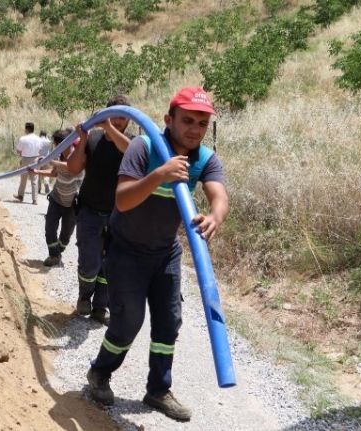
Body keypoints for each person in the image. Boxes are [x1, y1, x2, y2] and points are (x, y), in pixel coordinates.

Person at [85, 86, 229, 422]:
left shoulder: (204, 159)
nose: (194, 129)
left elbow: (219, 195)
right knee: (128, 321)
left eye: (202, 123)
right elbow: (123, 200)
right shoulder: (143, 146)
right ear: (169, 119)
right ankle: (100, 372)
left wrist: (214, 216)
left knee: (169, 322)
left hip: (165, 254)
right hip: (126, 252)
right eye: (188, 120)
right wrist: (159, 176)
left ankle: (158, 389)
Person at [67, 95, 134, 325]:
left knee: (110, 264)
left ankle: (100, 307)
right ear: (105, 114)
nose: (117, 120)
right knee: (90, 262)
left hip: (119, 216)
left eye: (123, 117)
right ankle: (84, 297)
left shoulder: (134, 143)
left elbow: (128, 150)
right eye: (112, 115)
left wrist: (107, 127)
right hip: (89, 212)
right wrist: (83, 139)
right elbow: (74, 168)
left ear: (129, 120)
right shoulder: (93, 138)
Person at [29, 129, 84, 267]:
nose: (56, 148)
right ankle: (54, 255)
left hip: (72, 203)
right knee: (50, 227)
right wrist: (37, 171)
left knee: (66, 235)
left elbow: (72, 168)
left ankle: (58, 251)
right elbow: (55, 173)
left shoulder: (77, 155)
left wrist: (51, 161)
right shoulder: (59, 156)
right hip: (56, 198)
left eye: (57, 145)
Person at [13, 122, 42, 205]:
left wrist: (23, 155)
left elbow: (18, 151)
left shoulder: (23, 138)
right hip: (35, 159)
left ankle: (21, 195)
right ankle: (35, 199)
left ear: (26, 129)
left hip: (25, 159)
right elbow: (40, 150)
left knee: (23, 179)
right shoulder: (39, 139)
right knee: (35, 179)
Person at [37, 130, 53, 195]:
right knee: (46, 174)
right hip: (46, 159)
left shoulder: (37, 140)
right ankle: (46, 182)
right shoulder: (48, 141)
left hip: (38, 159)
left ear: (40, 134)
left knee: (37, 174)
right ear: (46, 135)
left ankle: (38, 189)